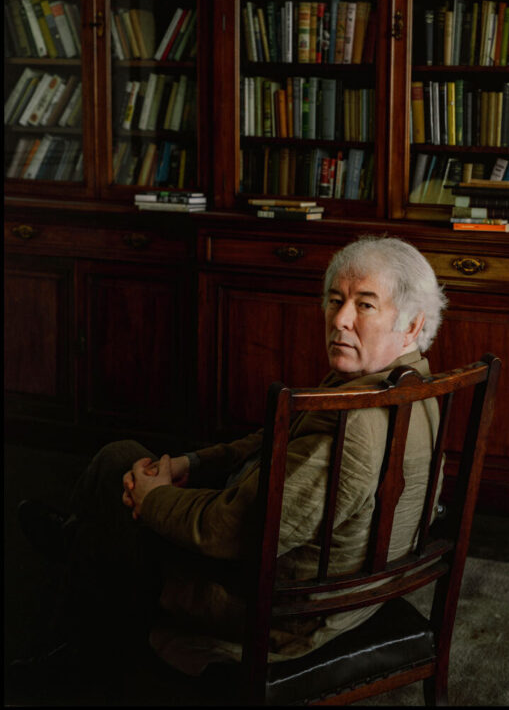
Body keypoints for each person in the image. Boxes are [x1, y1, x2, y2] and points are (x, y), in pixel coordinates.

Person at [12, 235, 448, 692]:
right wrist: (191, 464)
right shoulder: (415, 386)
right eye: (335, 300)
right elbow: (276, 439)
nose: (339, 319)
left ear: (413, 324)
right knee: (126, 487)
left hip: (281, 609)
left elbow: (235, 533)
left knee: (118, 463)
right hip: (353, 587)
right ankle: (82, 539)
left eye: (365, 305)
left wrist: (152, 497)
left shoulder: (356, 424)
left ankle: (67, 639)